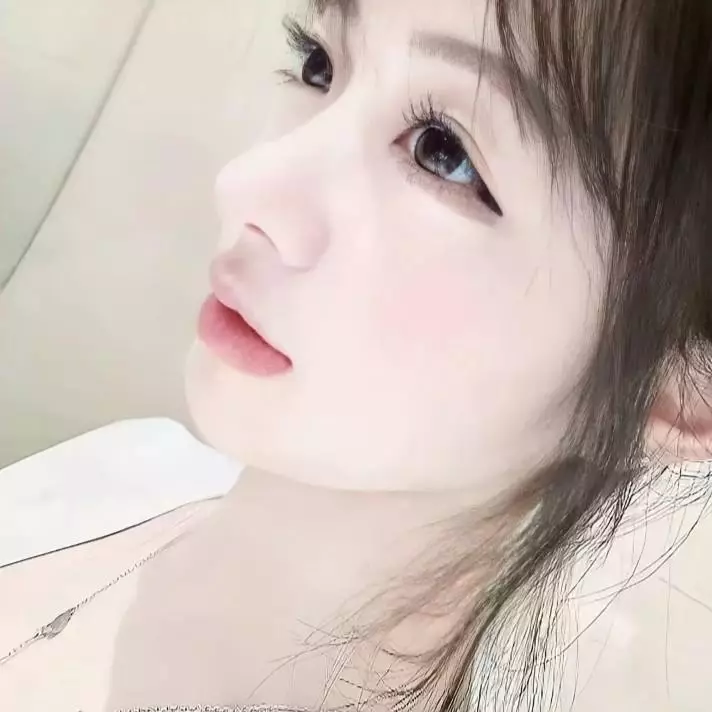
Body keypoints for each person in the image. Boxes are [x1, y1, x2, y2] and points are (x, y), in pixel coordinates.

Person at [1, 0, 711, 709]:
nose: (245, 183)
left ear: (684, 391)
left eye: (443, 153)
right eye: (319, 64)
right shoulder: (131, 466)